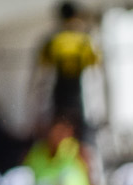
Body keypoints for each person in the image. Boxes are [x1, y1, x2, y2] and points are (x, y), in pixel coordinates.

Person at [30, 1, 101, 141]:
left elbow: (41, 78)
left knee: (59, 137)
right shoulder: (86, 41)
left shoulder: (52, 41)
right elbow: (96, 78)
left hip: (58, 97)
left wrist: (36, 109)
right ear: (76, 16)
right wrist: (97, 111)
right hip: (79, 98)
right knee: (83, 141)